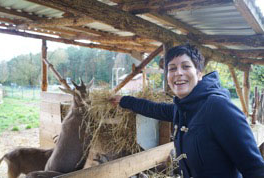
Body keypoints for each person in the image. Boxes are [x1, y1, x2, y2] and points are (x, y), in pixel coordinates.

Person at [110, 44, 264, 178]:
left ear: (199, 74)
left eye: (186, 66)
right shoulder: (182, 107)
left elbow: (255, 169)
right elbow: (155, 109)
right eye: (172, 68)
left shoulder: (218, 107)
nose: (178, 73)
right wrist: (124, 100)